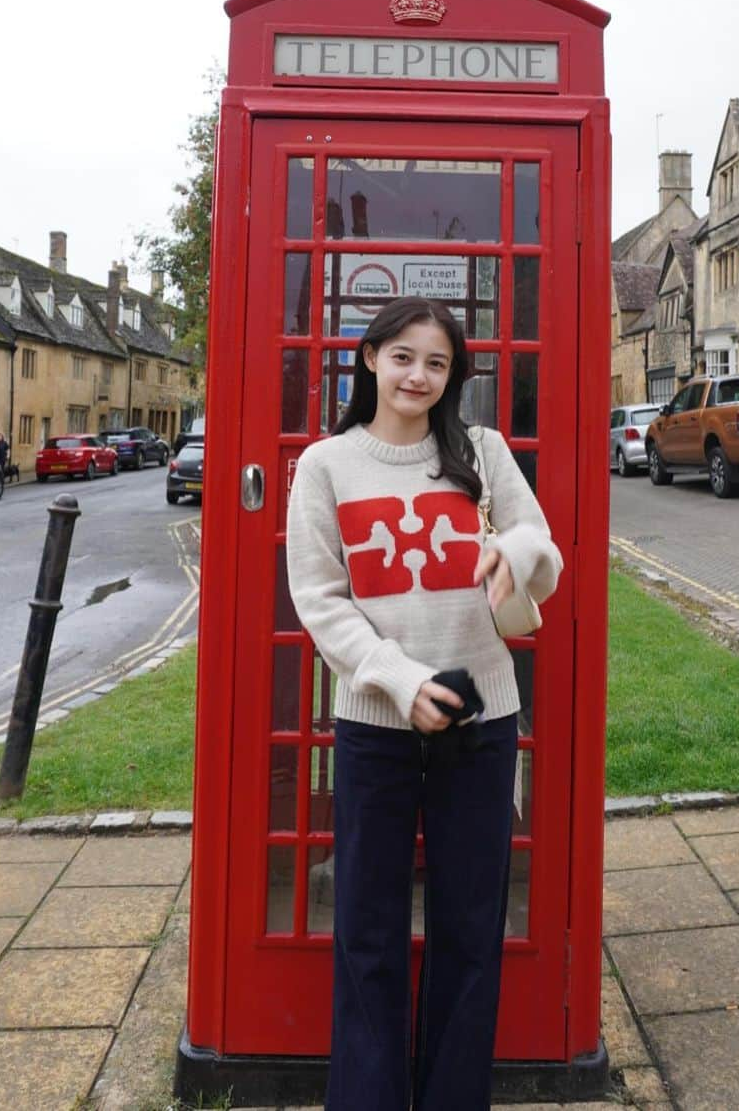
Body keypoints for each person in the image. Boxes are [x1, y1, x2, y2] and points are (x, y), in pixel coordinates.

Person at [286, 296, 563, 1111]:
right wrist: (400, 681)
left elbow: (541, 546)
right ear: (370, 358)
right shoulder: (325, 466)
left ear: (453, 375)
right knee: (366, 931)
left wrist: (512, 551)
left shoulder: (481, 450)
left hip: (480, 712)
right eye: (403, 356)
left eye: (437, 363)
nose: (418, 375)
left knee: (470, 929)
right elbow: (320, 599)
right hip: (376, 717)